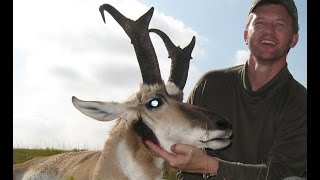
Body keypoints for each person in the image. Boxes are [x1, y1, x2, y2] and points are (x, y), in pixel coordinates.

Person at [145, 0, 307, 179]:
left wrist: (210, 166)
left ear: (294, 39)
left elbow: (282, 174)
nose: (268, 30)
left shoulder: (300, 102)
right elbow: (185, 157)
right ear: (245, 35)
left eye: (280, 24)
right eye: (259, 23)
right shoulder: (210, 84)